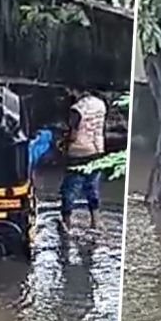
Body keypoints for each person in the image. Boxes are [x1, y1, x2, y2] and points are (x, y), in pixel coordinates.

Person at [59, 87, 106, 230]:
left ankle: (66, 223)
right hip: (97, 150)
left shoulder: (77, 109)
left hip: (79, 154)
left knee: (69, 189)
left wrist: (63, 144)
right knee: (92, 187)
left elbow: (74, 135)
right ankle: (95, 221)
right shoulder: (101, 104)